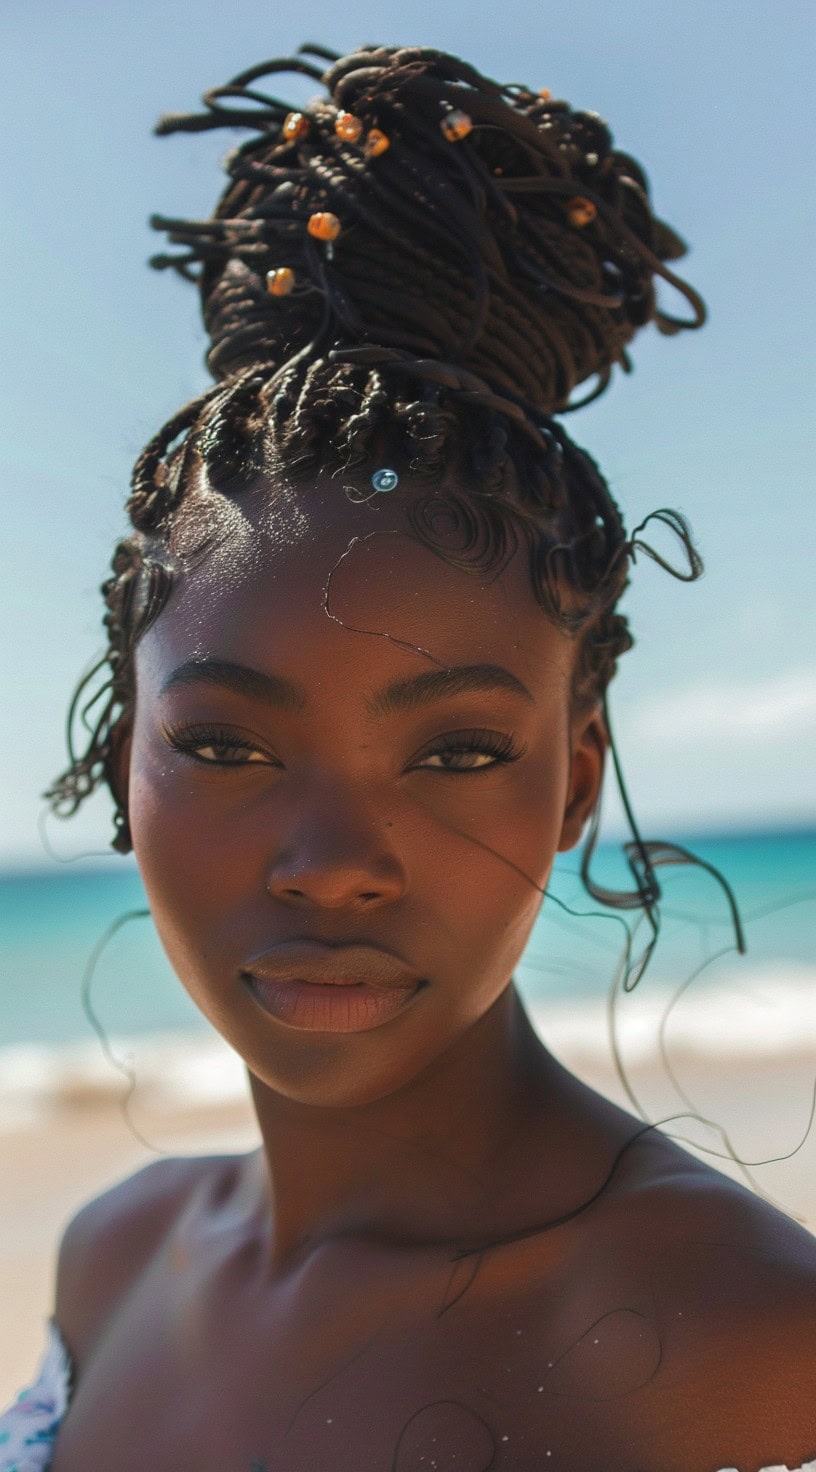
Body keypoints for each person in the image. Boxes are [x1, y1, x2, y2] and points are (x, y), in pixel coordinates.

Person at [2, 42, 814, 1472]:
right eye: (230, 742)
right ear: (127, 762)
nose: (333, 864)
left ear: (571, 783)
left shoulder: (749, 1344)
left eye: (452, 754)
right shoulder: (112, 1264)